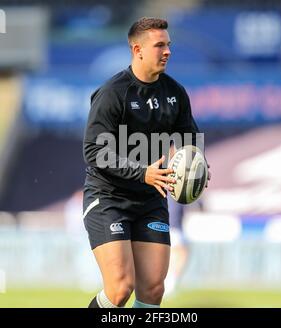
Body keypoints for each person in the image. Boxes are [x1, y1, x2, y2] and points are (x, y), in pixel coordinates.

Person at [82, 17, 207, 308]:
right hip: (109, 198)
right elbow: (93, 150)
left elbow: (189, 136)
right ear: (137, 49)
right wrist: (142, 173)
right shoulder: (113, 93)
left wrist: (197, 166)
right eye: (159, 45)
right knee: (120, 289)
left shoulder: (175, 93)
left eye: (168, 45)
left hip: (151, 200)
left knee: (152, 291)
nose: (167, 51)